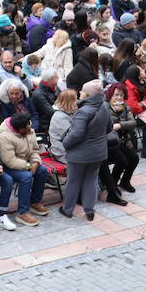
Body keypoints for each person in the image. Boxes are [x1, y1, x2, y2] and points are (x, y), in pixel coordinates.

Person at [60, 80, 110, 220]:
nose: (79, 93)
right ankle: (89, 210)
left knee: (73, 181)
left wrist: (65, 143)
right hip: (98, 152)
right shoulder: (105, 106)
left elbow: (77, 134)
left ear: (87, 95)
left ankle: (68, 209)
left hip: (79, 154)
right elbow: (109, 127)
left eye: (82, 91)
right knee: (91, 180)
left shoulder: (83, 111)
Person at [0, 112, 51, 226]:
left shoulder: (28, 130)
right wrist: (29, 166)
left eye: (29, 125)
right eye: (27, 128)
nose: (30, 129)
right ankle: (22, 212)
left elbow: (35, 150)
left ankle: (34, 202)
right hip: (8, 167)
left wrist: (35, 162)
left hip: (26, 163)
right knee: (26, 176)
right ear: (19, 130)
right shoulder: (3, 137)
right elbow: (9, 161)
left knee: (42, 170)